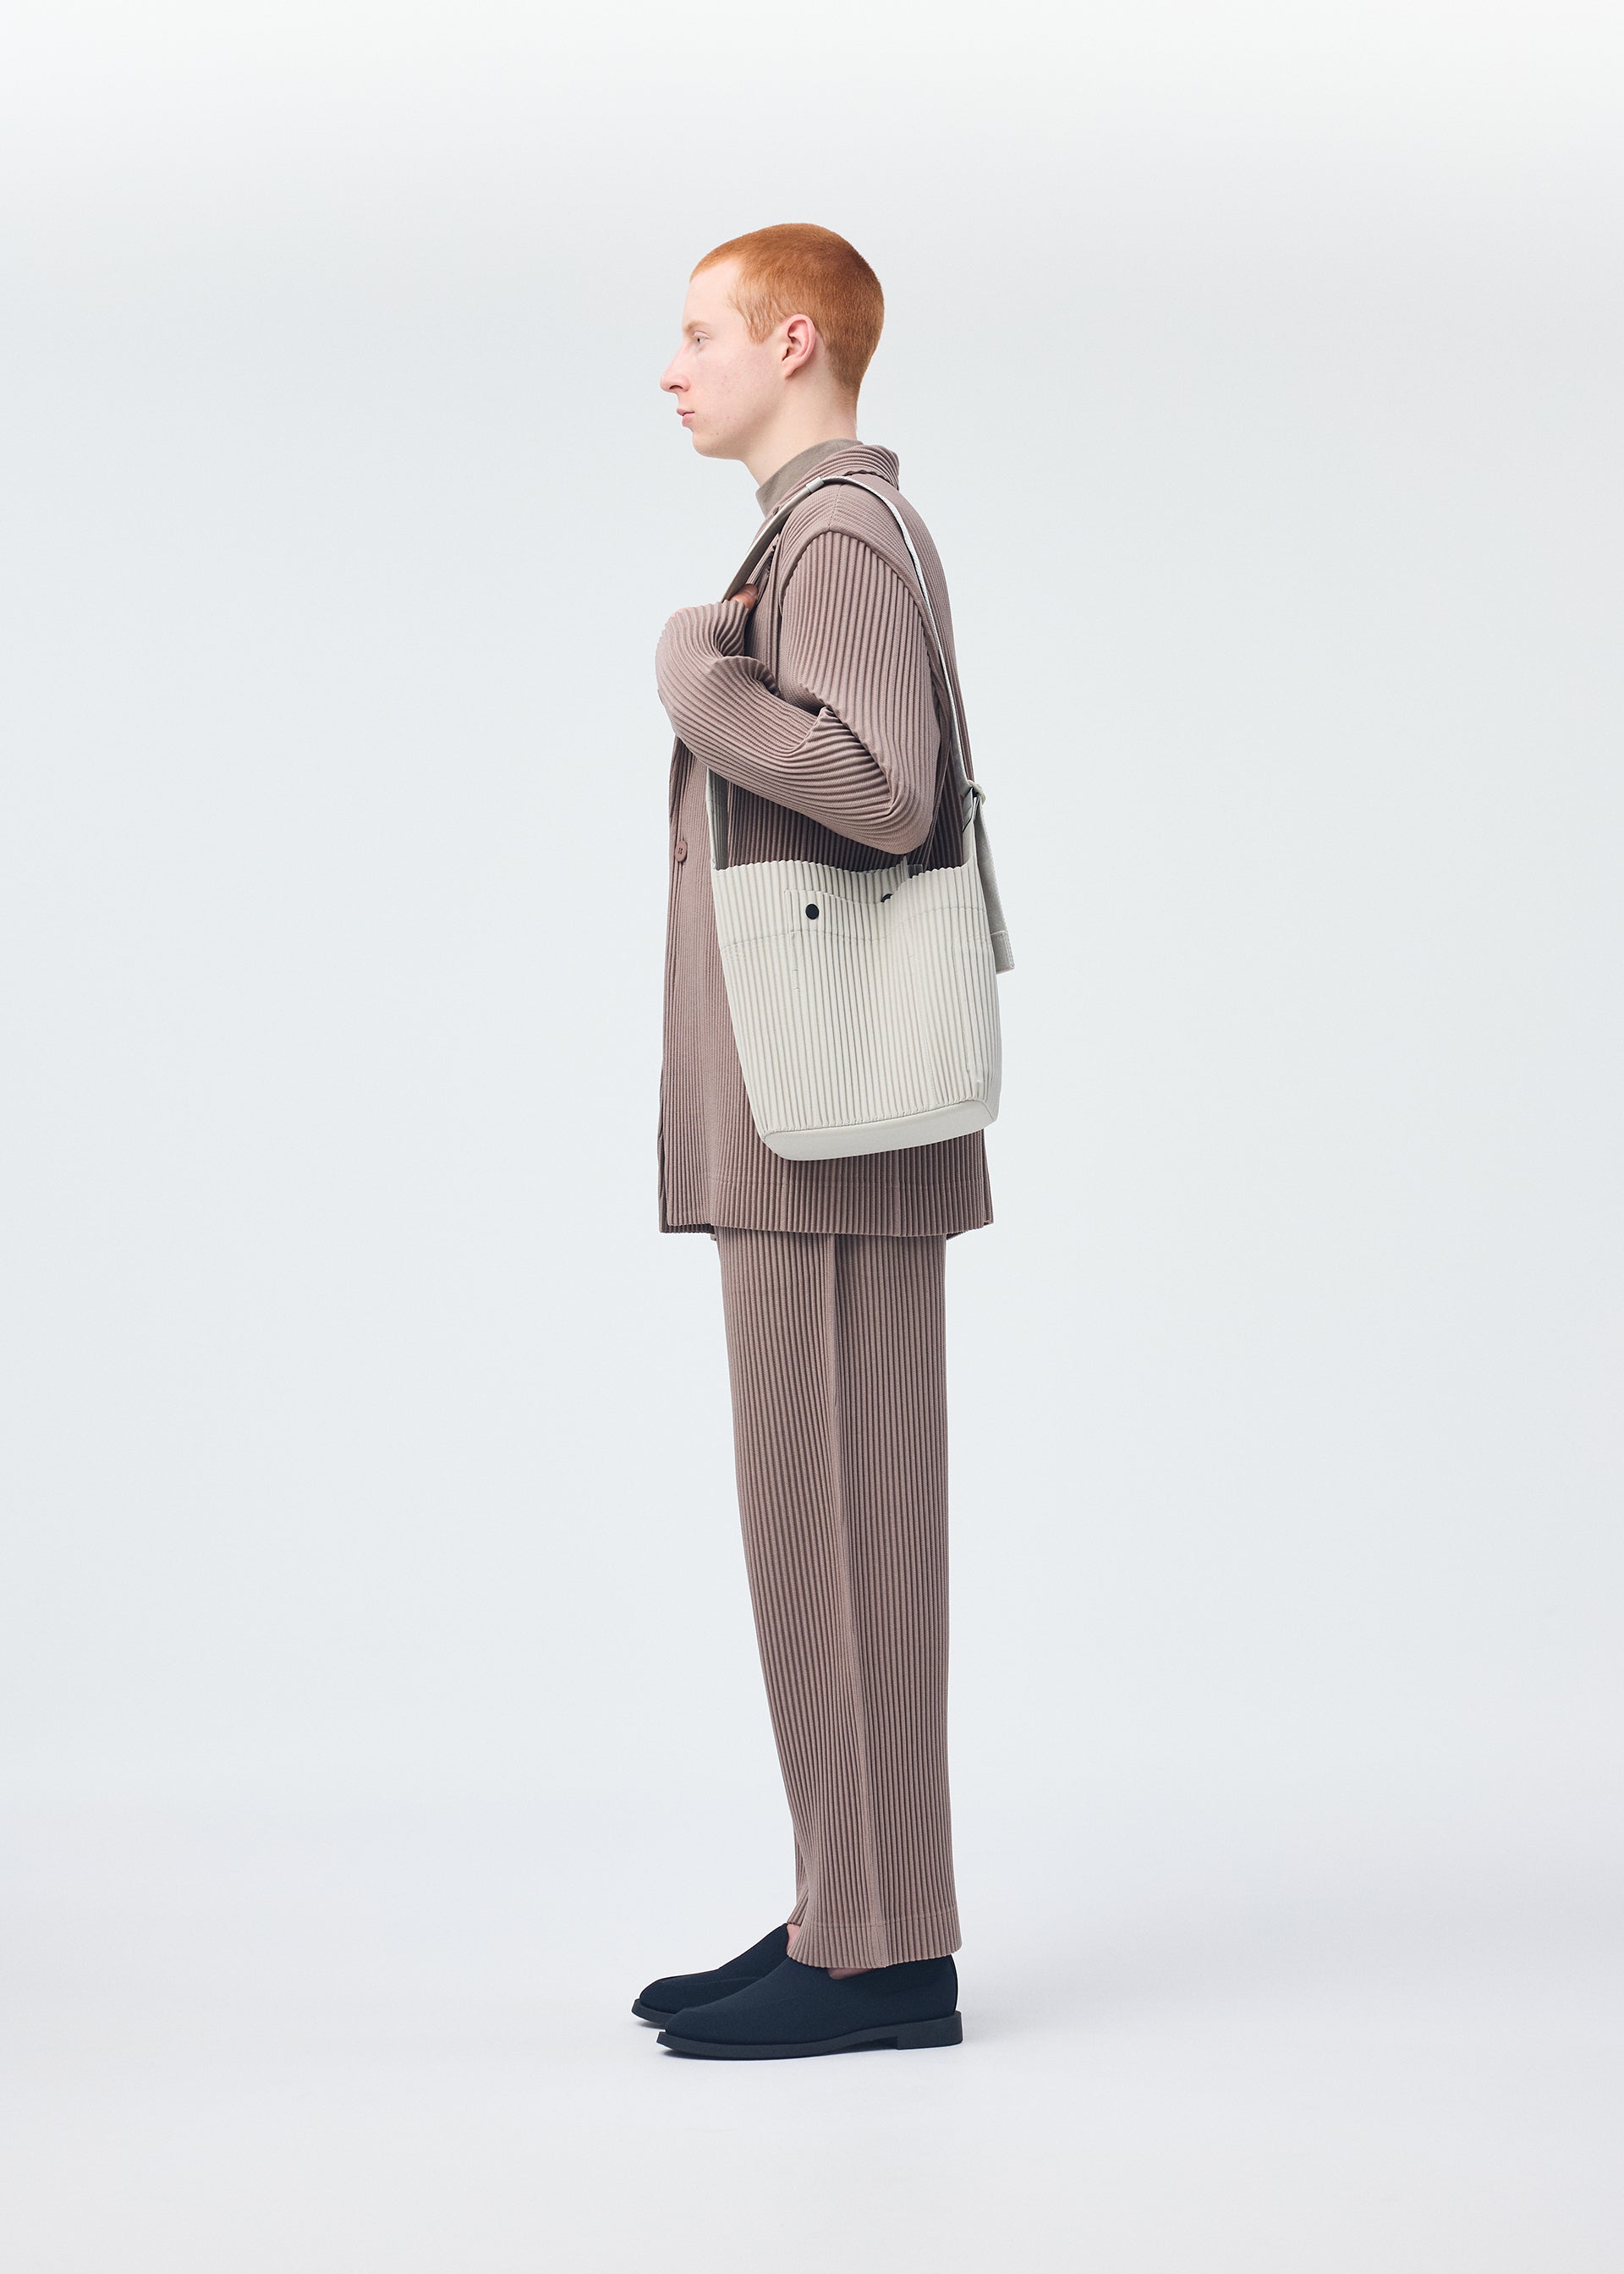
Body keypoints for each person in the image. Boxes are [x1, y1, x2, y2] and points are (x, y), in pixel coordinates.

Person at [639, 222, 992, 2061]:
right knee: (840, 1529)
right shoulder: (824, 536)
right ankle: (855, 1915)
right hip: (815, 1122)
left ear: (795, 344)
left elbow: (886, 787)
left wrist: (698, 683)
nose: (674, 366)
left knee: (831, 1527)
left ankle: (877, 1951)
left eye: (703, 332)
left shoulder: (837, 537)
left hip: (820, 1130)